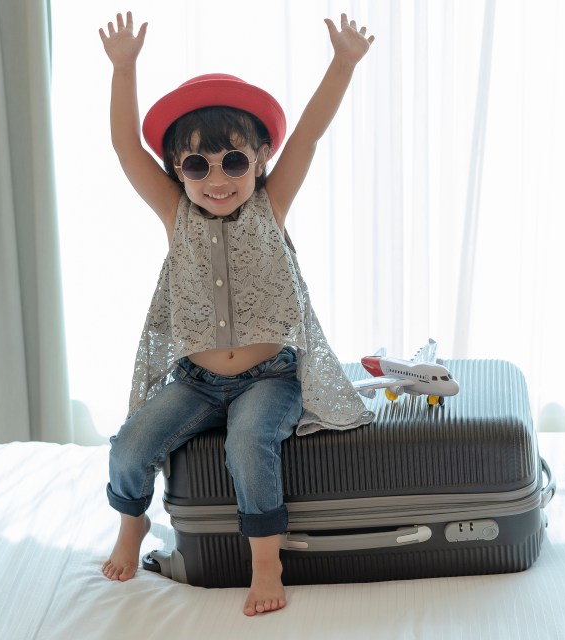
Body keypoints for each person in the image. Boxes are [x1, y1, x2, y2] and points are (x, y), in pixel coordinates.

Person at [98, 10, 375, 616]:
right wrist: (125, 68)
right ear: (178, 170)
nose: (215, 178)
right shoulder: (176, 217)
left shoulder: (271, 206)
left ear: (260, 159)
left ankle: (266, 562)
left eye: (233, 161)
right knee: (128, 446)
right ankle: (131, 525)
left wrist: (344, 62)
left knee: (249, 444)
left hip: (267, 377)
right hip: (196, 382)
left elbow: (308, 135)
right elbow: (124, 146)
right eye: (196, 166)